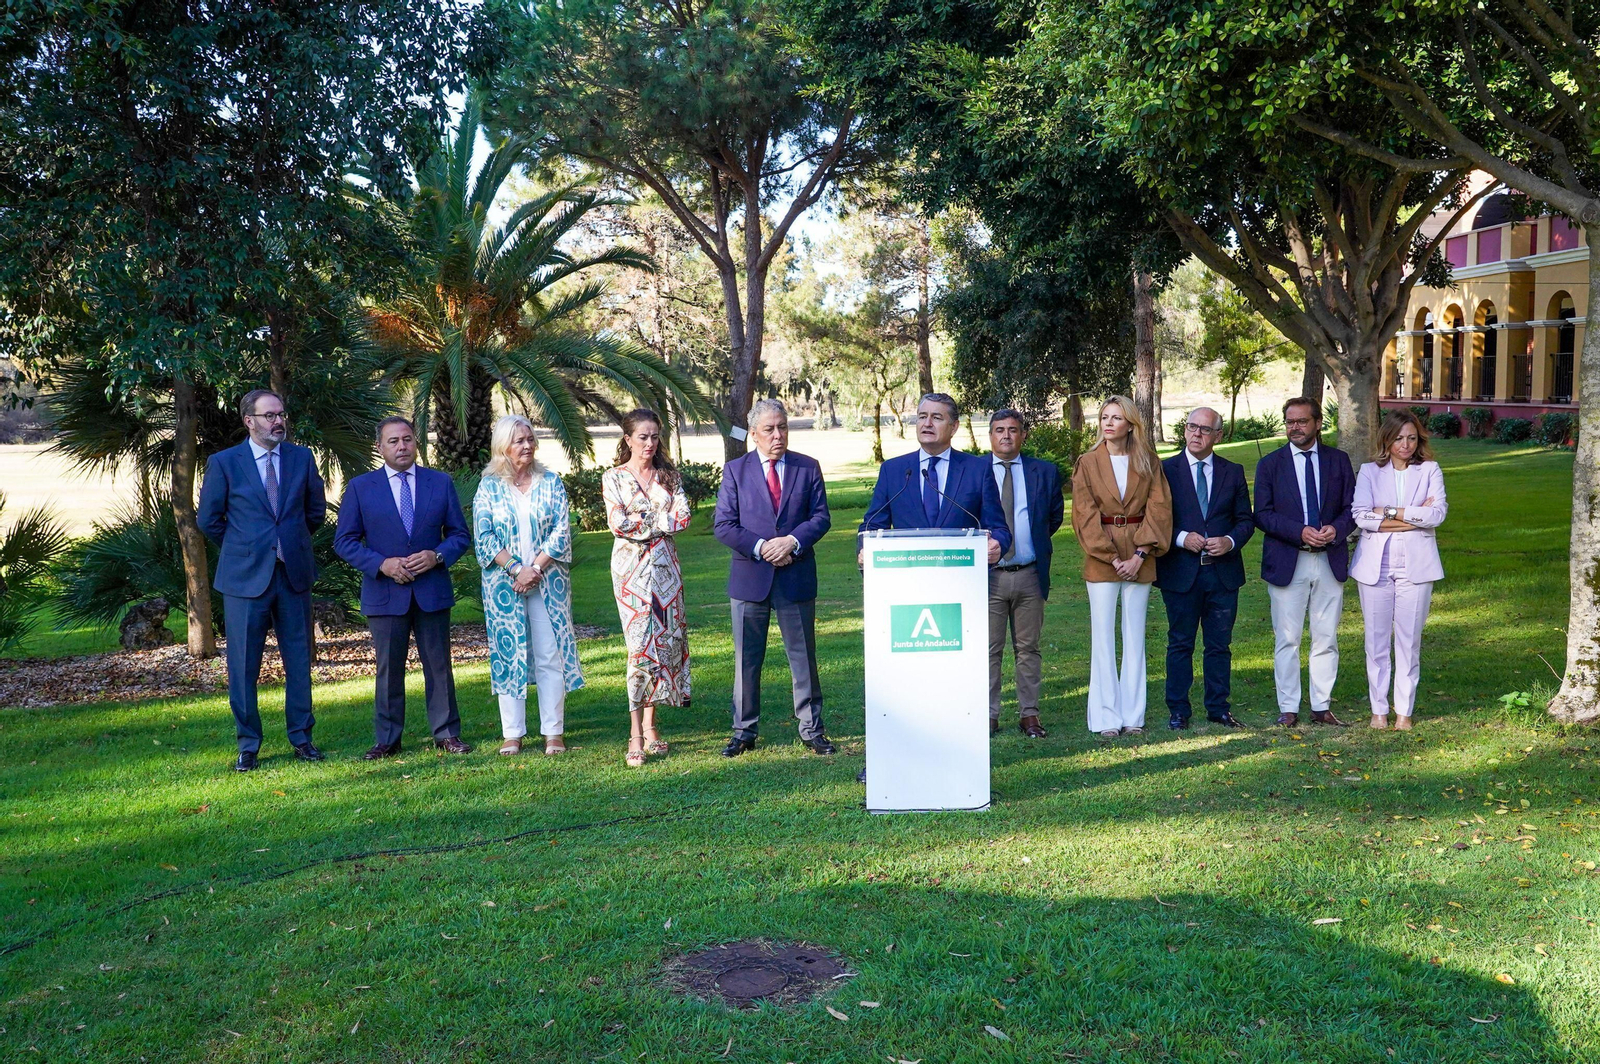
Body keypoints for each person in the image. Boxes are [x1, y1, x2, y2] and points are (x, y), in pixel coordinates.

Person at [857, 392, 1011, 781]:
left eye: (937, 417)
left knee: (954, 683)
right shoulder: (896, 471)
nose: (926, 423)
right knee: (904, 684)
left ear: (954, 426)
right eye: (921, 416)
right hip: (904, 597)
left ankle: (959, 757)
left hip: (960, 599)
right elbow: (871, 525)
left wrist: (997, 545)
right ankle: (891, 756)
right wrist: (864, 549)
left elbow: (999, 527)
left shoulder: (976, 470)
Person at [197, 389, 327, 771]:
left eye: (281, 414)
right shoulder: (224, 463)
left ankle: (302, 739)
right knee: (243, 666)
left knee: (299, 661)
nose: (278, 421)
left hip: (293, 574)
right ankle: (248, 744)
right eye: (269, 416)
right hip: (244, 580)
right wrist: (247, 548)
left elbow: (314, 512)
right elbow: (209, 520)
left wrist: (288, 543)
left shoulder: (302, 458)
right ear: (249, 421)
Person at [334, 416, 472, 759]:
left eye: (407, 439)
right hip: (385, 593)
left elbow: (459, 535)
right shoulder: (361, 488)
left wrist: (437, 556)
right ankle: (388, 739)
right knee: (388, 669)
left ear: (416, 443)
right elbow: (345, 541)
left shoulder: (439, 483)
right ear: (379, 447)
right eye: (393, 441)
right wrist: (382, 564)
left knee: (439, 665)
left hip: (431, 591)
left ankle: (446, 734)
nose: (402, 446)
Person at [713, 399, 836, 757]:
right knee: (747, 660)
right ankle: (743, 730)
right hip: (751, 579)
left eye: (782, 427)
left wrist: (792, 542)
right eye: (769, 429)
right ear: (753, 434)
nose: (778, 435)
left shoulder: (807, 467)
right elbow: (724, 525)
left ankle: (812, 729)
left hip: (795, 577)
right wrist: (762, 546)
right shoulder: (735, 471)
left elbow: (821, 517)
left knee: (803, 658)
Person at [474, 415, 585, 756]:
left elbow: (560, 532)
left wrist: (534, 568)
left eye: (531, 438)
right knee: (510, 652)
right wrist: (515, 569)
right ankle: (513, 733)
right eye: (519, 440)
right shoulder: (489, 486)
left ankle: (553, 732)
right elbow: (484, 535)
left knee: (549, 653)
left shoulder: (550, 482)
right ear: (503, 447)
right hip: (503, 585)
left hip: (547, 582)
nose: (527, 445)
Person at [1071, 396, 1172, 737]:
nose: (1108, 423)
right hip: (1102, 556)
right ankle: (1105, 718)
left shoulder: (1148, 461)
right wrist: (1113, 557)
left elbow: (1159, 507)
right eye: (1104, 417)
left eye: (1116, 417)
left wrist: (1140, 554)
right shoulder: (1087, 462)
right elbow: (1083, 515)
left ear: (1131, 424)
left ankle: (1133, 716)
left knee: (1134, 636)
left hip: (1140, 551)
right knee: (1103, 637)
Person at [1253, 396, 1357, 727]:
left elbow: (1352, 508)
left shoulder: (1338, 461)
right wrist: (1300, 532)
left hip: (1329, 559)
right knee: (1287, 637)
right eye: (1289, 422)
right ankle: (1288, 708)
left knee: (1326, 636)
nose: (1294, 427)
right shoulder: (1270, 464)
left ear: (1317, 423)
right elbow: (1263, 515)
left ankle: (1321, 706)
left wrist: (1335, 530)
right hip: (1289, 560)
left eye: (1301, 421)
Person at [1154, 407, 1254, 730]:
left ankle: (1218, 708)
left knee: (1219, 645)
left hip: (1222, 574)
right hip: (1180, 572)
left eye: (1204, 429)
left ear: (1218, 435)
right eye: (1191, 427)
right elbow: (1153, 523)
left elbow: (1246, 521)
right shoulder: (1165, 471)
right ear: (1184, 430)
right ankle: (1178, 711)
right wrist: (1182, 538)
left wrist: (1229, 541)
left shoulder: (1233, 471)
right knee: (1180, 642)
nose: (1196, 434)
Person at [604, 409, 693, 767]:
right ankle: (636, 734)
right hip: (630, 575)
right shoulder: (613, 478)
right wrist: (660, 521)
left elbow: (683, 517)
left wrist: (644, 520)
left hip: (666, 573)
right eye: (642, 436)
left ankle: (655, 726)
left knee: (665, 643)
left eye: (654, 436)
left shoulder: (669, 477)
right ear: (627, 439)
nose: (649, 443)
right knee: (639, 647)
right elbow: (618, 523)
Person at [1351, 411, 1448, 730]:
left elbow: (1436, 515)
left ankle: (1404, 711)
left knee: (1409, 641)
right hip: (1375, 568)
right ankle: (1378, 710)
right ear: (1387, 440)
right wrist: (1412, 518)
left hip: (1416, 568)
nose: (1405, 444)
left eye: (1411, 438)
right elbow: (1361, 516)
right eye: (1398, 438)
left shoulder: (1430, 470)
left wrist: (1388, 512)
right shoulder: (1369, 472)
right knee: (1376, 641)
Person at [985, 409, 1064, 738]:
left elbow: (1054, 517)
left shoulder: (1043, 472)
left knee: (1028, 648)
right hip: (987, 577)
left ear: (1024, 435)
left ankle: (1029, 714)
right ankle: (987, 714)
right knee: (988, 648)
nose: (1006, 436)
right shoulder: (974, 471)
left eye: (1013, 430)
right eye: (1000, 430)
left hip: (1030, 574)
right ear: (990, 435)